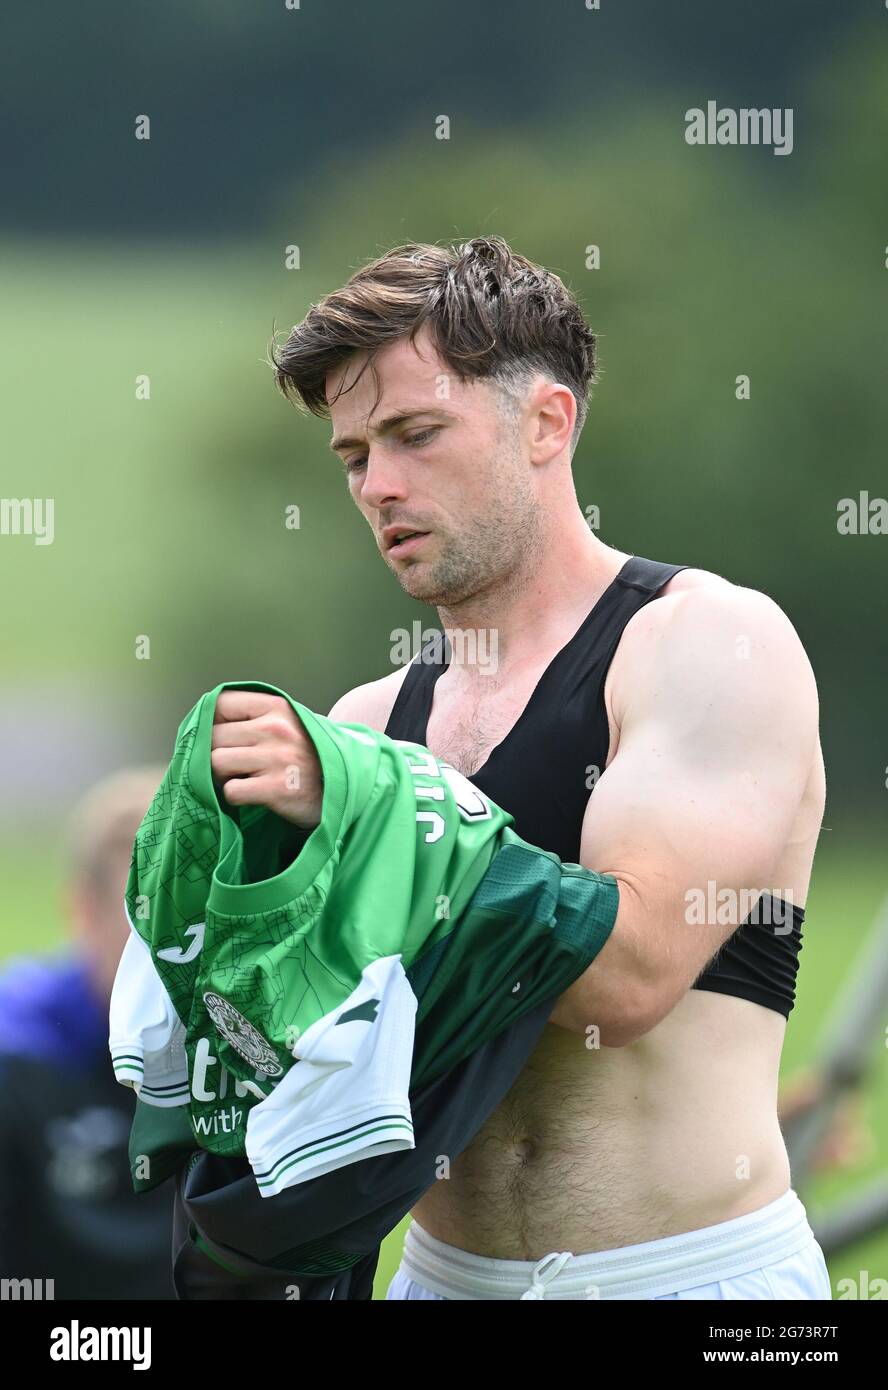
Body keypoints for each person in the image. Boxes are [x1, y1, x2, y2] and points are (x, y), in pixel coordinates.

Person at [215, 235, 830, 1300]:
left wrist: (368, 816)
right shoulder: (370, 722)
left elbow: (627, 972)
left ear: (546, 422)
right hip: (440, 1279)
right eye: (355, 455)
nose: (379, 485)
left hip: (690, 1277)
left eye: (415, 434)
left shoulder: (708, 642)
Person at [0, 768, 176, 1300]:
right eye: (140, 928)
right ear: (83, 911)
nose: (164, 959)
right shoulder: (17, 1054)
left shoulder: (239, 1041)